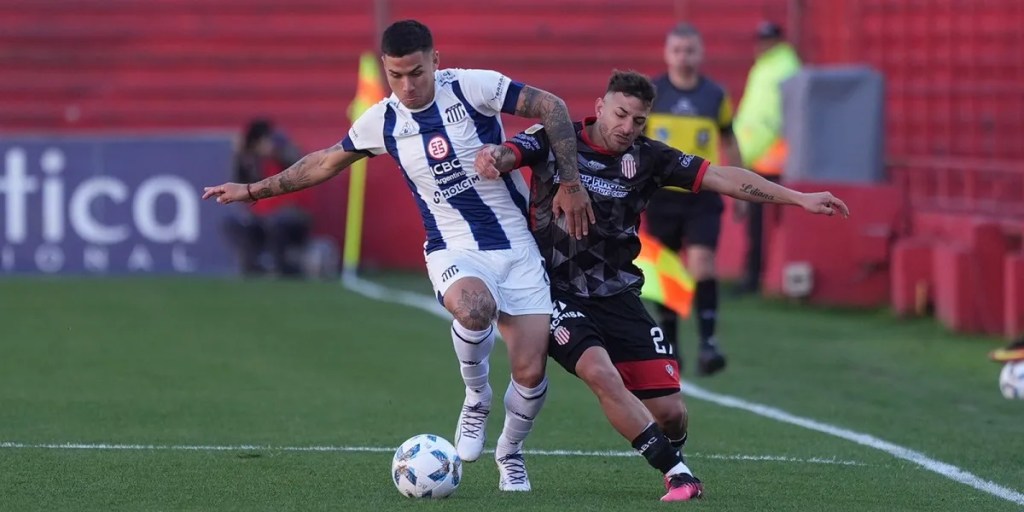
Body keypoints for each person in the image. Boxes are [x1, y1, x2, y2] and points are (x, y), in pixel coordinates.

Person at [202, 19, 595, 491]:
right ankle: (476, 397)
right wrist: (252, 190)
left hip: (518, 248)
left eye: (416, 72)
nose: (406, 85)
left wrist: (571, 183)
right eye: (395, 75)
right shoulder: (383, 120)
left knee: (530, 371)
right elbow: (324, 161)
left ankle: (509, 453)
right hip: (453, 247)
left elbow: (551, 106)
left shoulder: (474, 87)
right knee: (474, 310)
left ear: (436, 61)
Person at [475, 70, 848, 501]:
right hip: (551, 290)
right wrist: (494, 158)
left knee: (671, 414)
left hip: (617, 294)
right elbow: (510, 152)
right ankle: (677, 475)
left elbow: (724, 177)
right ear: (600, 106)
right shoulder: (557, 138)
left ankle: (671, 451)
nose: (626, 127)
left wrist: (799, 198)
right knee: (600, 372)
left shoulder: (649, 158)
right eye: (620, 114)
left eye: (638, 120)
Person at [645, 22, 742, 376]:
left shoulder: (715, 95)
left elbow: (729, 140)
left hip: (702, 193)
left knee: (703, 264)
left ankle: (708, 342)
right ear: (667, 54)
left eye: (690, 50)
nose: (684, 57)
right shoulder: (653, 92)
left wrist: (741, 187)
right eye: (677, 50)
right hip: (662, 195)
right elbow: (635, 139)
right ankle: (669, 344)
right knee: (667, 270)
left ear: (701, 53)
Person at [733, 21, 802, 294]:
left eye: (766, 39)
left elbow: (772, 120)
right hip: (758, 155)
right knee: (755, 220)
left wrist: (751, 149)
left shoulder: (784, 68)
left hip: (771, 157)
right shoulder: (766, 66)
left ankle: (757, 276)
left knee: (761, 221)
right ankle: (753, 273)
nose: (760, 44)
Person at [224, 118, 312, 277]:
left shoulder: (284, 148)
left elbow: (298, 165)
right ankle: (251, 267)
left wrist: (276, 153)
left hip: (291, 213)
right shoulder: (251, 160)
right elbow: (240, 183)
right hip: (262, 215)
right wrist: (240, 156)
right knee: (234, 224)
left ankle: (282, 268)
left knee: (277, 223)